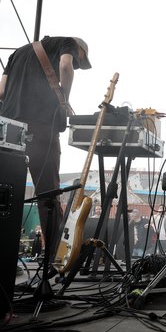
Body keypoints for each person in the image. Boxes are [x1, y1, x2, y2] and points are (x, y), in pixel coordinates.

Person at [0, 36, 92, 261]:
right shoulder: (68, 42)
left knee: (5, 194)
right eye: (81, 61)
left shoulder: (17, 53)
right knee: (48, 194)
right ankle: (55, 257)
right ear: (78, 49)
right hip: (41, 128)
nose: (78, 66)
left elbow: (1, 91)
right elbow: (65, 65)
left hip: (9, 128)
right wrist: (64, 100)